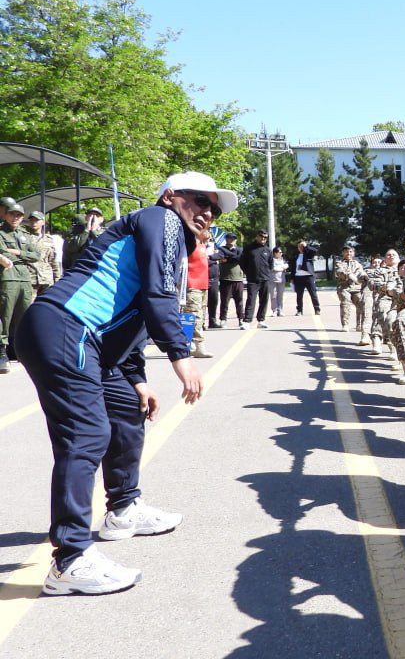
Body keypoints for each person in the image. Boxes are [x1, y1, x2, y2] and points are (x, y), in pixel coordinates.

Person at [16, 170, 232, 595]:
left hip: (94, 342)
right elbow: (155, 297)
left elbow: (130, 316)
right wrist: (180, 356)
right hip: (67, 326)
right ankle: (70, 559)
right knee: (86, 436)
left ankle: (123, 508)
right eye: (201, 201)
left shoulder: (173, 241)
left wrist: (136, 378)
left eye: (214, 209)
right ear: (171, 196)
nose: (208, 213)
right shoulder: (159, 219)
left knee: (127, 411)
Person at [0, 197, 40, 371]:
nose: (15, 217)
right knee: (5, 316)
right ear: (6, 215)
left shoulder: (25, 234)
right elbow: (2, 253)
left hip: (25, 278)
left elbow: (36, 255)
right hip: (7, 277)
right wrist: (22, 255)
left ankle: (18, 350)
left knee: (22, 316)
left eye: (18, 215)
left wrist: (17, 252)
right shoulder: (1, 233)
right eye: (12, 214)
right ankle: (2, 352)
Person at [186, 228, 213, 359]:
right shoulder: (189, 244)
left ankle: (188, 344)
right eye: (206, 230)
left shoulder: (203, 245)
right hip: (192, 284)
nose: (208, 233)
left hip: (203, 285)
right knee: (194, 316)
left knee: (201, 315)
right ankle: (199, 345)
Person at [366, 251, 399, 357]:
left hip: (404, 298)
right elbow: (372, 284)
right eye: (388, 255)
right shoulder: (379, 271)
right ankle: (392, 347)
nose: (391, 256)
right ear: (385, 259)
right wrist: (383, 287)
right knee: (386, 319)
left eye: (394, 255)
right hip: (385, 298)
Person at [239, 229, 272, 329]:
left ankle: (261, 320)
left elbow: (271, 264)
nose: (263, 239)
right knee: (251, 299)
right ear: (257, 236)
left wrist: (267, 273)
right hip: (253, 279)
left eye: (265, 237)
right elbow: (242, 262)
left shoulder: (268, 250)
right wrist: (249, 272)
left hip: (265, 279)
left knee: (264, 300)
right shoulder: (249, 248)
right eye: (261, 236)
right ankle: (247, 321)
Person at [24, 211, 62, 296]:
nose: (34, 223)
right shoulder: (24, 237)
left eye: (36, 220)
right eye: (32, 220)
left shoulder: (48, 239)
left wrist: (57, 279)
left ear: (43, 222)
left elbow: (53, 261)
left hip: (46, 279)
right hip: (30, 278)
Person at [334, 245, 367, 338]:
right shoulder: (339, 263)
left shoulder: (357, 264)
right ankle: (345, 324)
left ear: (353, 253)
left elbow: (361, 273)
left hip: (356, 287)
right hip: (344, 287)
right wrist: (347, 274)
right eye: (346, 252)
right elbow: (340, 273)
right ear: (343, 253)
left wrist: (363, 276)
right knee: (345, 302)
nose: (348, 253)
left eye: (350, 252)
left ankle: (359, 324)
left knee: (361, 303)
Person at [61, 206, 104, 271]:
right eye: (90, 215)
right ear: (86, 217)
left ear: (101, 219)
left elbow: (103, 246)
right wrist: (86, 231)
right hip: (79, 267)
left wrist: (94, 231)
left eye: (97, 216)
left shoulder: (105, 232)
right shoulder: (76, 231)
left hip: (97, 268)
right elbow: (72, 248)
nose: (93, 218)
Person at [217, 232, 245, 328]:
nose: (231, 240)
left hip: (238, 279)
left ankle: (241, 319)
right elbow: (222, 258)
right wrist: (232, 258)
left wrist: (228, 258)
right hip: (225, 279)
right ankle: (223, 319)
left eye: (233, 238)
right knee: (224, 301)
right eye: (229, 238)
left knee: (239, 301)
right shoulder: (221, 249)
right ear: (226, 239)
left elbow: (239, 258)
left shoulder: (240, 249)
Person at [290, 240, 322, 316]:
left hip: (308, 277)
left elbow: (314, 250)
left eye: (302, 246)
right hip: (298, 277)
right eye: (299, 246)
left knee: (313, 294)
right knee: (299, 296)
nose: (300, 248)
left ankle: (317, 309)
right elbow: (293, 268)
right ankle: (299, 310)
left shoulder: (308, 254)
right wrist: (292, 278)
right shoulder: (296, 256)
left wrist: (306, 246)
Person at [269, 246, 288, 318]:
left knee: (280, 296)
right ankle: (274, 310)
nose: (281, 253)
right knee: (273, 296)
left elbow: (286, 266)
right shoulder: (271, 260)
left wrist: (281, 268)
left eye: (281, 252)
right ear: (275, 253)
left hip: (281, 279)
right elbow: (273, 268)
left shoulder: (283, 259)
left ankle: (280, 310)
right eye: (279, 252)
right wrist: (281, 268)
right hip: (272, 280)